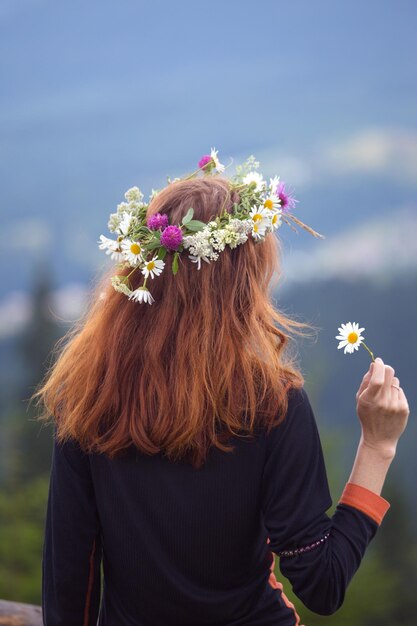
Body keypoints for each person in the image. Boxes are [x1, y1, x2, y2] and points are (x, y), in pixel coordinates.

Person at [33, 167, 410, 626]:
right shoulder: (272, 405)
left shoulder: (89, 398)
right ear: (241, 285)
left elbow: (71, 584)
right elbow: (322, 584)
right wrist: (377, 446)